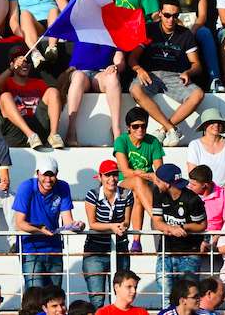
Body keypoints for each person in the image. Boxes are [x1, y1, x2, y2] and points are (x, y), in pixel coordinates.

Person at [128, 0, 204, 147]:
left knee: (198, 94)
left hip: (175, 76)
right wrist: (139, 69)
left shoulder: (185, 34)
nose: (171, 19)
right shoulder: (149, 30)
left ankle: (163, 130)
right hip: (150, 74)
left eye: (175, 16)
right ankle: (171, 129)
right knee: (135, 89)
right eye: (167, 15)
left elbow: (197, 65)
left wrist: (188, 72)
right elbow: (132, 59)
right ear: (160, 14)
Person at [13, 155, 85, 289]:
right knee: (35, 296)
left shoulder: (63, 187)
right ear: (37, 174)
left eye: (52, 175)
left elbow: (68, 220)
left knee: (54, 295)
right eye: (45, 175)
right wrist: (40, 230)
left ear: (57, 174)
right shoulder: (26, 187)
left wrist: (78, 225)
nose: (48, 179)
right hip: (30, 248)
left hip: (54, 247)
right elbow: (19, 223)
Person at [160, 0, 222, 91]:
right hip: (174, 21)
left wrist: (191, 31)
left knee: (205, 33)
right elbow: (168, 10)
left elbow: (203, 16)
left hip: (194, 24)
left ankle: (215, 78)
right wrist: (178, 25)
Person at [83, 160, 134, 308]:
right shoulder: (92, 195)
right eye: (107, 175)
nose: (112, 179)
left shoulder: (127, 194)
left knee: (121, 297)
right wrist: (112, 227)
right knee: (97, 299)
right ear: (100, 177)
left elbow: (126, 221)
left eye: (114, 175)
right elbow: (92, 224)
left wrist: (121, 227)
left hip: (120, 249)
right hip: (95, 251)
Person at [114, 106, 164, 253]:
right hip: (125, 182)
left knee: (137, 194)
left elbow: (160, 171)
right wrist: (148, 175)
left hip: (144, 185)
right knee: (137, 182)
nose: (140, 130)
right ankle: (157, 219)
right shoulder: (121, 140)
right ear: (128, 127)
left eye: (143, 126)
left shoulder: (153, 141)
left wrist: (153, 177)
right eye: (135, 126)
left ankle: (136, 241)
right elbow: (125, 171)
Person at [0, 45, 64, 149]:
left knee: (53, 91)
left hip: (38, 127)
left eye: (27, 61)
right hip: (16, 130)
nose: (24, 64)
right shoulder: (6, 82)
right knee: (5, 96)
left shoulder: (39, 83)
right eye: (20, 61)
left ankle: (53, 135)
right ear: (12, 64)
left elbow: (57, 100)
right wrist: (11, 69)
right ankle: (30, 134)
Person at [153, 163, 207, 294]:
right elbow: (157, 222)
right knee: (166, 295)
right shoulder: (158, 192)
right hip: (166, 251)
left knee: (187, 296)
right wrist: (171, 229)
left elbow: (202, 225)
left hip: (189, 253)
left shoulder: (193, 199)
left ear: (167, 183)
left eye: (158, 181)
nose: (155, 183)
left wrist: (183, 227)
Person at [65, 38, 124, 146]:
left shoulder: (113, 34)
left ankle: (116, 130)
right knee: (78, 77)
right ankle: (71, 129)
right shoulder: (80, 27)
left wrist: (115, 66)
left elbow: (120, 62)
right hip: (79, 71)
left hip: (101, 73)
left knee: (113, 77)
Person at [187, 109, 225, 187]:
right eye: (212, 122)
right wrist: (208, 191)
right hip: (203, 192)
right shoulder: (195, 145)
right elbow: (193, 174)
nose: (216, 125)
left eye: (219, 122)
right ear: (205, 125)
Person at [187, 165, 225, 242]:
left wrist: (216, 239)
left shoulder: (224, 194)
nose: (189, 186)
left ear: (205, 185)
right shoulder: (187, 193)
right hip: (191, 234)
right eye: (190, 183)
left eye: (193, 185)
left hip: (214, 236)